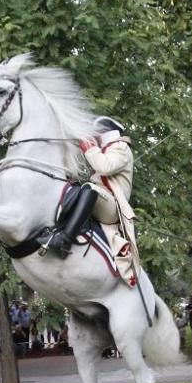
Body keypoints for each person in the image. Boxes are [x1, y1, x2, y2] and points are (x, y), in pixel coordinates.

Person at [46, 117, 139, 282]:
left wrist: (90, 148)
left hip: (113, 208)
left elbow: (105, 167)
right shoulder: (104, 149)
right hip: (101, 201)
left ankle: (65, 241)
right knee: (71, 188)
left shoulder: (121, 147)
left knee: (90, 189)